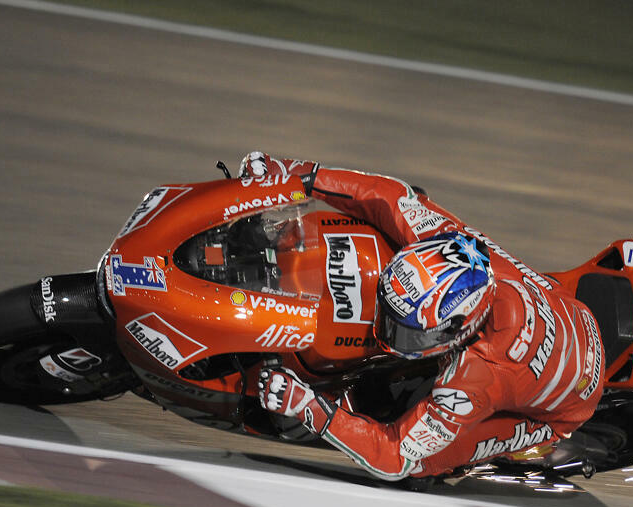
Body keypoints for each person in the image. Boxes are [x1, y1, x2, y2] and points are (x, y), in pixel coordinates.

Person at [243, 152, 605, 482]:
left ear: (459, 329)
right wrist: (297, 175)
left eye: (406, 332)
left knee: (419, 468)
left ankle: (472, 462)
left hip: (565, 406)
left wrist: (310, 409)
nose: (386, 334)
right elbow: (391, 196)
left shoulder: (473, 378)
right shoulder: (448, 239)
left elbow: (393, 455)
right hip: (566, 308)